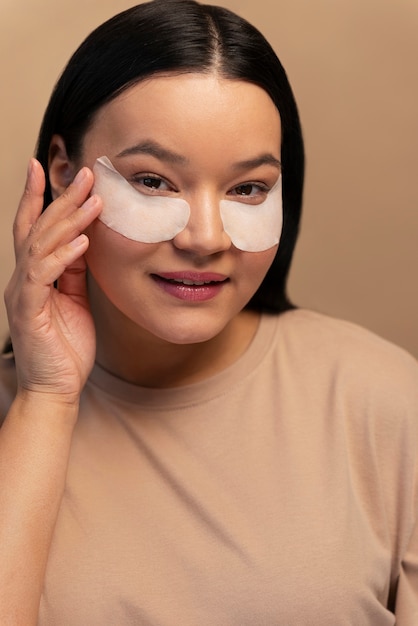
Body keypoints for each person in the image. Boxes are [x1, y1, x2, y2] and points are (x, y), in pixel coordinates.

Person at [0, 0, 417, 623]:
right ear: (64, 173)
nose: (206, 237)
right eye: (153, 181)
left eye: (248, 189)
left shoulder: (384, 401)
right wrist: (47, 397)